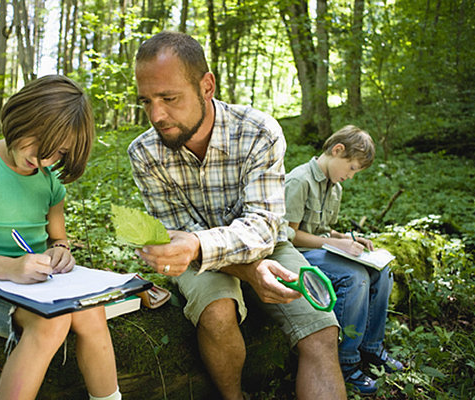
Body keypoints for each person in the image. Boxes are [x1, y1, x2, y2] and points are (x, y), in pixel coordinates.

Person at [128, 31, 346, 400]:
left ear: (207, 85)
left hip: (262, 247)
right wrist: (245, 270)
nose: (156, 115)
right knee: (217, 311)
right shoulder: (145, 153)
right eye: (146, 101)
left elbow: (264, 226)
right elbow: (177, 238)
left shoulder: (259, 131)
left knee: (322, 331)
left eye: (169, 98)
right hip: (198, 258)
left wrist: (201, 245)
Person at [0, 75, 121, 400]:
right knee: (51, 323)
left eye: (57, 152)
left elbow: (58, 237)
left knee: (91, 311)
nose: (42, 158)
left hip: (37, 285)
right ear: (22, 115)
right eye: (37, 139)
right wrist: (7, 267)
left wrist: (60, 251)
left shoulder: (49, 182)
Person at [284, 125, 404, 395]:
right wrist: (333, 242)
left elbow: (323, 228)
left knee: (382, 272)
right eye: (351, 168)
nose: (351, 176)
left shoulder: (334, 187)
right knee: (354, 277)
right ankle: (346, 363)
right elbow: (290, 235)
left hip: (321, 250)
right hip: (297, 255)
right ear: (337, 151)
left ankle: (371, 350)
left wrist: (349, 238)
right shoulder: (299, 180)